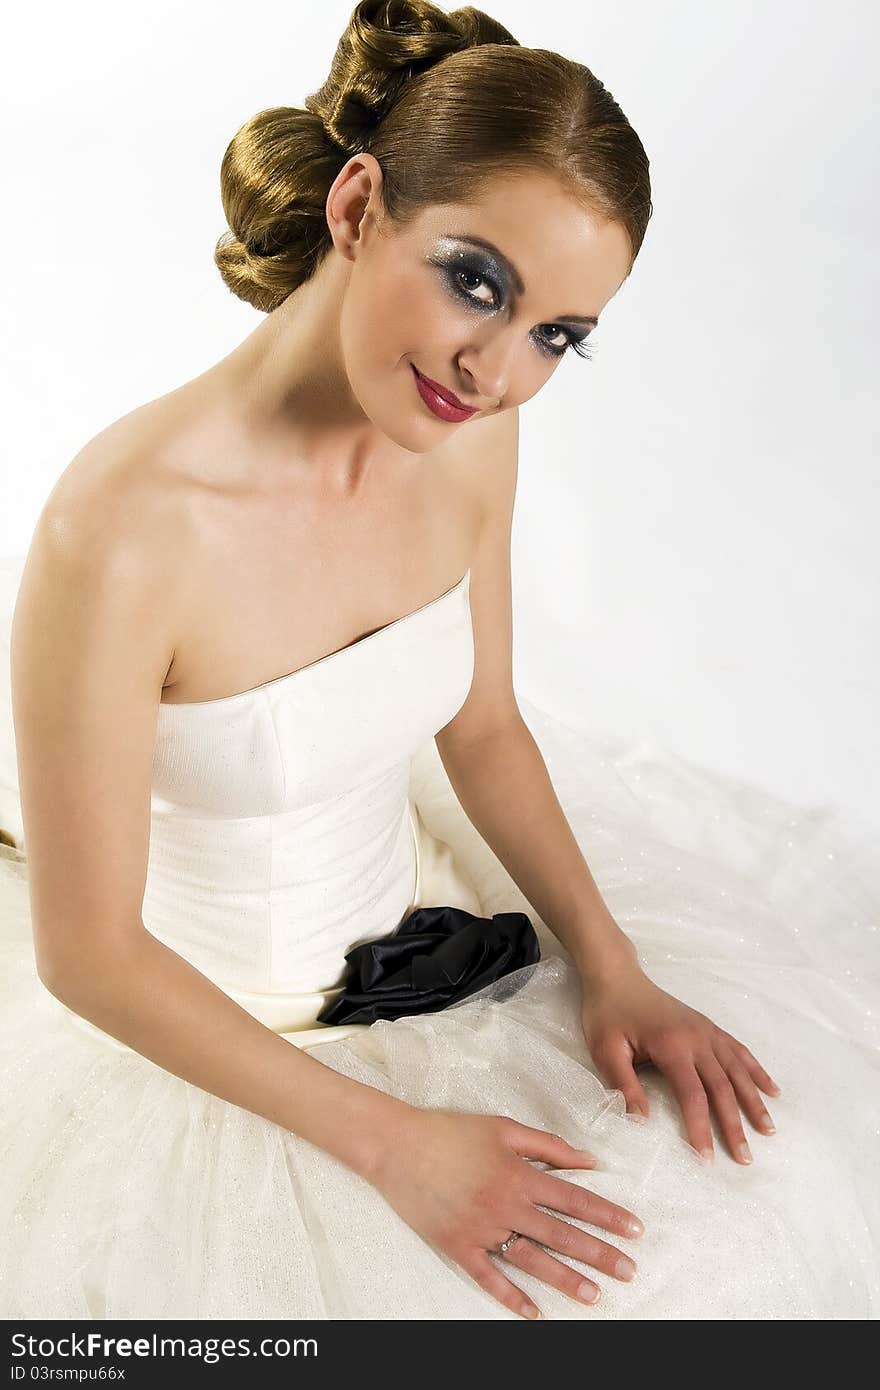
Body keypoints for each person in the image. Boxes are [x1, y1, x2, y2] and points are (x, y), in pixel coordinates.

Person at [1, 0, 878, 1321]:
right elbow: (90, 957)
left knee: (737, 1220)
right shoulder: (120, 533)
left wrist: (612, 961)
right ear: (358, 208)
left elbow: (482, 727)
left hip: (428, 935)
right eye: (479, 280)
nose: (499, 367)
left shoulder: (468, 432)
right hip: (195, 1031)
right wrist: (394, 1141)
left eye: (555, 335)